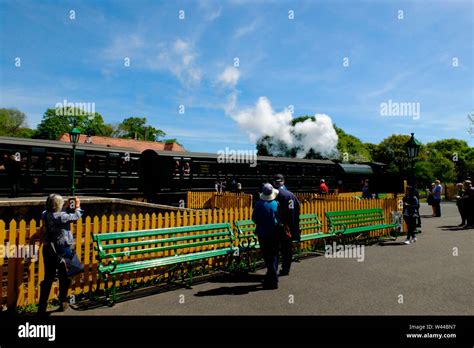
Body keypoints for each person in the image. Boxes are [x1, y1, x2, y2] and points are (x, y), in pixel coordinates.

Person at [37, 194, 83, 315]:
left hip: (48, 249)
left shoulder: (44, 214)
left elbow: (57, 213)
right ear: (58, 205)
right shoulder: (61, 216)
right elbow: (77, 216)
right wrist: (77, 206)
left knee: (48, 277)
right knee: (65, 276)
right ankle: (62, 302)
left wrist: (65, 206)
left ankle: (42, 307)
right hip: (62, 250)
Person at [252, 183, 280, 289]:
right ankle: (271, 275)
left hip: (263, 233)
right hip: (275, 232)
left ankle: (273, 279)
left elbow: (254, 218)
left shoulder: (259, 204)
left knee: (267, 255)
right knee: (274, 254)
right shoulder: (276, 204)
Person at [273, 174, 300, 276]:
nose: (277, 183)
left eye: (277, 181)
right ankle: (286, 269)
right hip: (288, 227)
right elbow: (297, 209)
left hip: (278, 226)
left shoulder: (274, 195)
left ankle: (273, 270)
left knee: (275, 249)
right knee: (287, 249)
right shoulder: (291, 195)